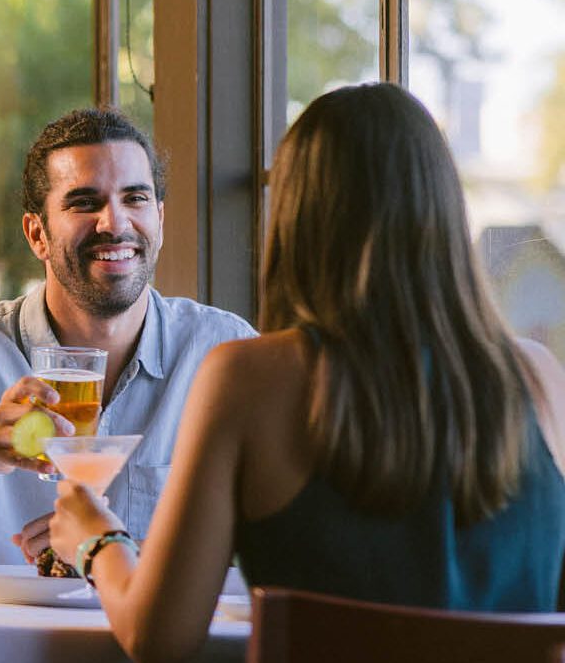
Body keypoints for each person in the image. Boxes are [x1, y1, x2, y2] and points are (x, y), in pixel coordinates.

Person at [48, 84, 565, 662]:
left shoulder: (248, 379)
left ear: (297, 215)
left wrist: (96, 537)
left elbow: (159, 639)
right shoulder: (539, 381)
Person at [0, 108, 257, 572]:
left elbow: (285, 526)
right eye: (84, 202)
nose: (114, 223)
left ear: (158, 217)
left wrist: (109, 548)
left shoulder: (224, 349)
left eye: (134, 198)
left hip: (151, 644)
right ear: (37, 234)